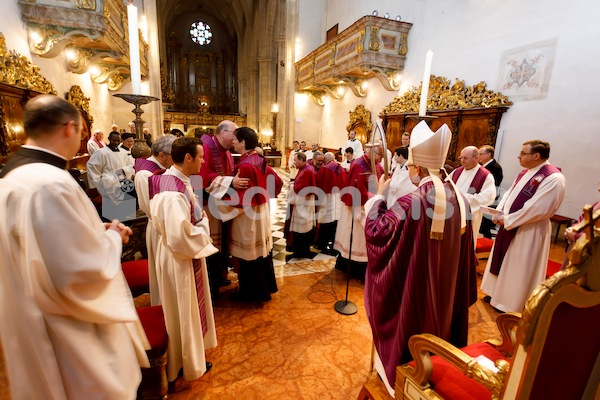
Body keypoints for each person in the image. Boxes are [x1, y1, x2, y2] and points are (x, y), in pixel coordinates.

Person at [0, 94, 149, 399]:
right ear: (70, 127)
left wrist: (94, 229)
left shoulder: (15, 175)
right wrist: (110, 238)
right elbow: (79, 272)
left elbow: (45, 246)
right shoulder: (49, 183)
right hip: (67, 329)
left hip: (30, 311)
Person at [363, 121, 477, 397]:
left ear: (417, 168)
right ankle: (436, 365)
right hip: (446, 289)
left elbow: (377, 232)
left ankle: (402, 375)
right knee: (439, 315)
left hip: (413, 289)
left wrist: (378, 197)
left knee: (411, 317)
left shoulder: (413, 201)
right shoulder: (459, 198)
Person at [148, 137, 218, 384]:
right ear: (187, 158)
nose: (203, 161)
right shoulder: (173, 193)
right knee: (183, 311)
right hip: (180, 259)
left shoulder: (175, 179)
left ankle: (187, 358)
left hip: (179, 254)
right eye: (200, 157)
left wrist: (200, 222)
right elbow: (181, 236)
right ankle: (185, 364)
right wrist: (205, 228)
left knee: (183, 310)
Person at [481, 140, 566, 313]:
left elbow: (539, 208)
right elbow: (508, 195)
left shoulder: (553, 178)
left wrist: (509, 219)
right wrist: (499, 213)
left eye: (523, 153)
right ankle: (496, 294)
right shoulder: (525, 173)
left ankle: (510, 303)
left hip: (529, 229)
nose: (519, 156)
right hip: (509, 223)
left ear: (536, 156)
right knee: (504, 261)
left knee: (519, 266)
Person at [226, 127, 282, 302]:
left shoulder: (245, 165)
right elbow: (277, 183)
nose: (232, 141)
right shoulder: (258, 159)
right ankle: (266, 288)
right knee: (260, 253)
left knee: (248, 253)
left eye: (235, 139)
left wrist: (221, 208)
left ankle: (251, 294)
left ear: (243, 142)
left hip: (248, 216)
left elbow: (241, 201)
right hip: (261, 211)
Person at [199, 120, 250, 299]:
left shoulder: (227, 151)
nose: (235, 138)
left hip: (222, 204)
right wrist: (231, 182)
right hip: (208, 205)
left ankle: (220, 277)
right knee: (213, 244)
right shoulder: (206, 147)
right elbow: (203, 176)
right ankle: (211, 284)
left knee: (221, 245)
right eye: (234, 134)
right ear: (222, 133)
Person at [134, 134, 176, 305]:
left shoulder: (163, 168)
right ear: (162, 155)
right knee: (163, 271)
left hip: (169, 224)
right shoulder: (145, 174)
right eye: (175, 155)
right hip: (160, 227)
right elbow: (150, 208)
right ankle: (164, 305)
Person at [333, 142, 384, 280]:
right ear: (372, 153)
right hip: (357, 207)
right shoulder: (358, 165)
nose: (381, 158)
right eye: (380, 154)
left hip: (371, 206)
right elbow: (356, 191)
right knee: (356, 238)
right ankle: (353, 268)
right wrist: (376, 196)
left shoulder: (378, 165)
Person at [448, 145, 496, 244]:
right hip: (451, 213)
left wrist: (461, 198)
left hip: (470, 216)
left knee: (465, 244)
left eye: (465, 158)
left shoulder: (485, 176)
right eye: (461, 157)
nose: (462, 160)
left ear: (476, 158)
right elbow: (446, 186)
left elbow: (488, 197)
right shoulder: (457, 171)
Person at [87, 130, 135, 204]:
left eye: (118, 141)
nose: (116, 143)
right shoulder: (101, 152)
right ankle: (113, 215)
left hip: (123, 181)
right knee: (113, 210)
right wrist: (99, 182)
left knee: (127, 206)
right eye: (114, 140)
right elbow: (91, 166)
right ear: (109, 139)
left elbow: (131, 165)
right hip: (109, 183)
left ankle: (126, 214)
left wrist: (123, 170)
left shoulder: (123, 152)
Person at [286, 151, 317, 259]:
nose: (294, 162)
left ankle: (301, 252)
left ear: (301, 160)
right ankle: (300, 250)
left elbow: (301, 189)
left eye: (295, 160)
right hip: (304, 202)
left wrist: (291, 187)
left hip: (304, 203)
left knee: (302, 229)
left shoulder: (307, 171)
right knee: (303, 228)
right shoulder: (305, 168)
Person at [315, 152, 346, 253]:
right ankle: (333, 243)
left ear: (325, 159)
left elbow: (317, 182)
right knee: (336, 221)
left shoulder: (324, 169)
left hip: (327, 198)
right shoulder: (340, 168)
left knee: (325, 221)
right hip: (338, 198)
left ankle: (322, 244)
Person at [478, 145, 504, 238]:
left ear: (489, 154)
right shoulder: (483, 166)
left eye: (481, 154)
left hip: (490, 197)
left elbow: (493, 184)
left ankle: (486, 240)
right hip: (482, 195)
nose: (478, 156)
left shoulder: (494, 167)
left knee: (486, 224)